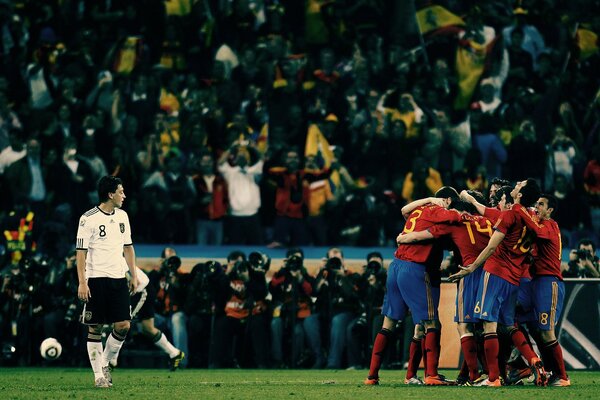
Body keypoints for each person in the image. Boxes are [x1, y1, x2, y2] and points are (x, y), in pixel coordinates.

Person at [449, 179, 547, 387]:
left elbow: (492, 247)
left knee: (488, 325)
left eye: (520, 185)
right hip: (513, 279)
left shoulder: (511, 215)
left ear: (519, 195)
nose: (516, 185)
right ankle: (530, 362)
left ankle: (493, 378)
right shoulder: (531, 218)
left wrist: (472, 267)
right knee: (509, 325)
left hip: (495, 273)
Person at [365, 187, 464, 386]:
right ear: (446, 200)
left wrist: (407, 235)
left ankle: (373, 376)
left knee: (390, 323)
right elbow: (457, 218)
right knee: (431, 323)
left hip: (396, 267)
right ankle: (431, 375)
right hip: (416, 269)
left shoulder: (419, 211)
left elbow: (403, 210)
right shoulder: (438, 211)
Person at [76, 175, 138, 388]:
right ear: (110, 194)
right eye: (121, 191)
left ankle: (104, 363)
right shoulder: (88, 218)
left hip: (118, 278)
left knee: (123, 325)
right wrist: (82, 282)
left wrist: (133, 274)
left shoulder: (123, 216)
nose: (124, 195)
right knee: (95, 327)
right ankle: (98, 376)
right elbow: (80, 254)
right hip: (96, 279)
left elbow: (128, 248)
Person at [511, 194, 570, 386]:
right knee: (519, 320)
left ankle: (562, 377)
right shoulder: (542, 230)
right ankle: (528, 366)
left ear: (550, 210)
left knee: (547, 332)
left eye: (542, 204)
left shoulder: (550, 226)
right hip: (536, 282)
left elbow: (535, 228)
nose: (537, 207)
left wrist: (519, 208)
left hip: (549, 283)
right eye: (537, 203)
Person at [107, 265, 184, 371]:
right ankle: (175, 353)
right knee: (147, 328)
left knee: (121, 323)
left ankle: (111, 361)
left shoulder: (112, 259)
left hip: (141, 290)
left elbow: (128, 282)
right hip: (141, 289)